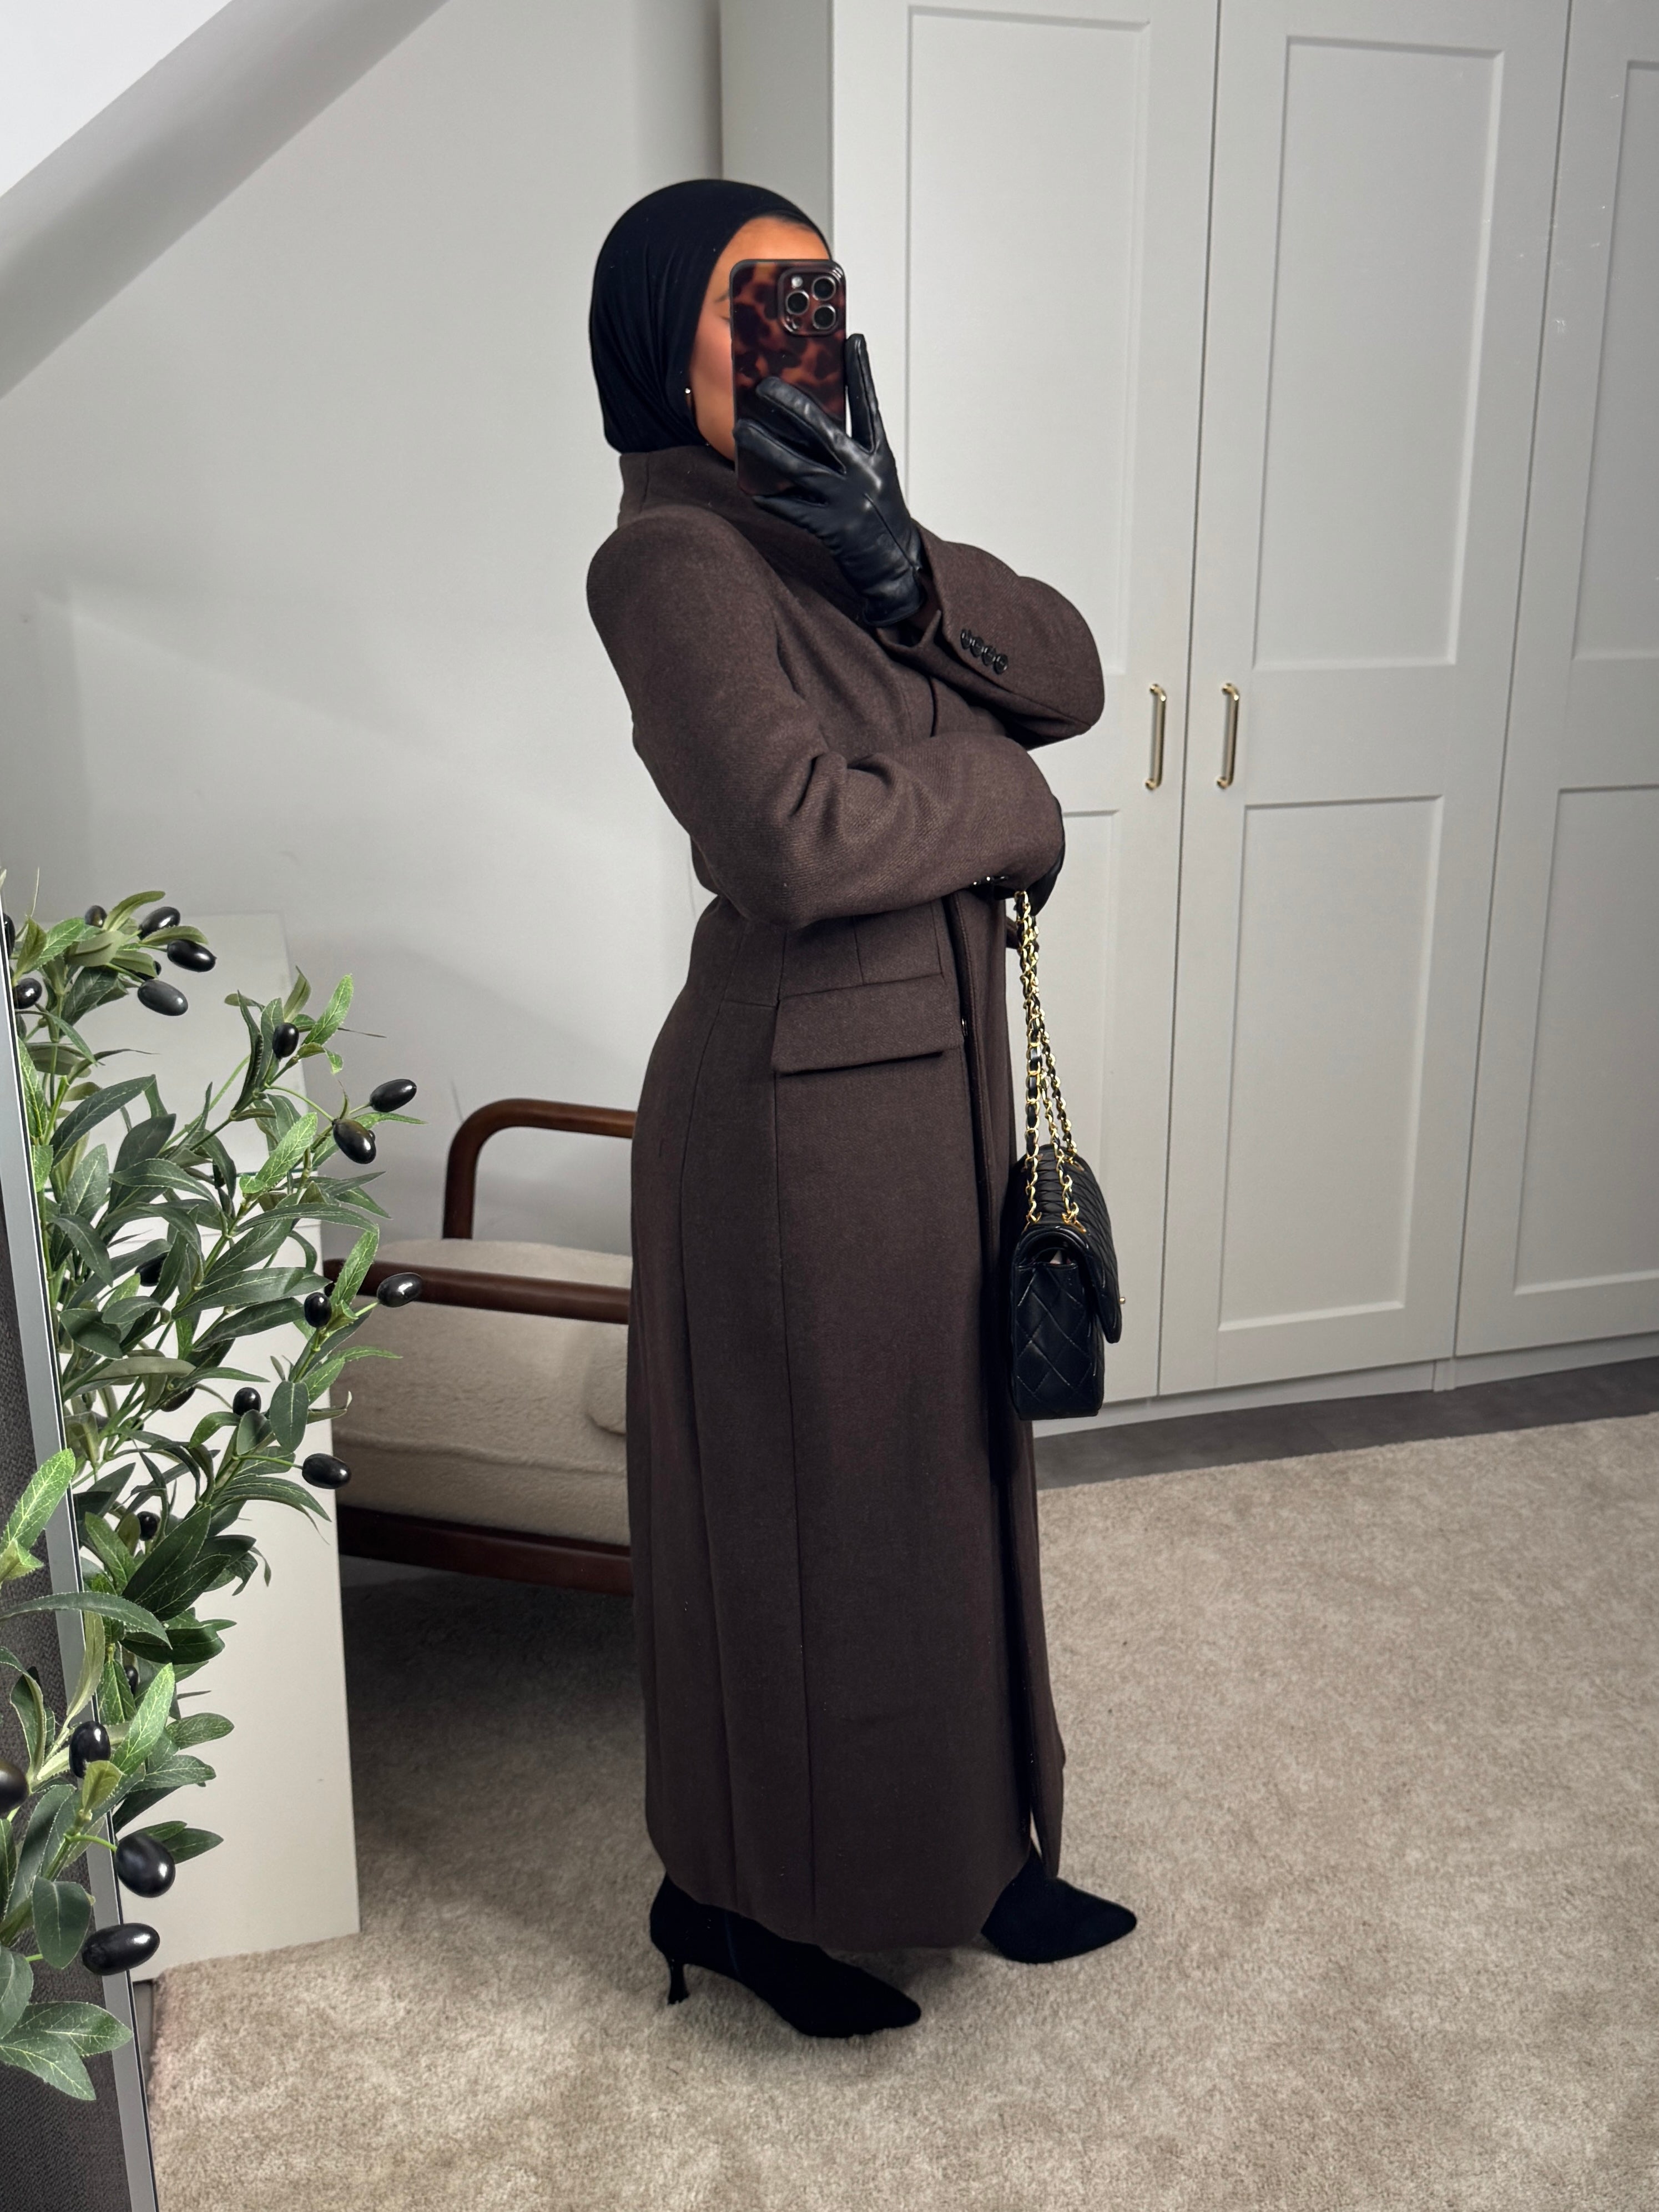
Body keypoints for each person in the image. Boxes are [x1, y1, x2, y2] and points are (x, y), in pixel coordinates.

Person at [586, 179, 1134, 2039]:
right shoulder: (669, 564)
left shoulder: (847, 532)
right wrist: (1012, 804)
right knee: (806, 1520)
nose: (796, 327)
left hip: (933, 1087)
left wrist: (905, 566)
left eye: (814, 294)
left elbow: (1069, 673)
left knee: (950, 1484)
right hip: (796, 1114)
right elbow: (794, 839)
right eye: (752, 299)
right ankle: (737, 1895)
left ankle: (979, 1853)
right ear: (661, 338)